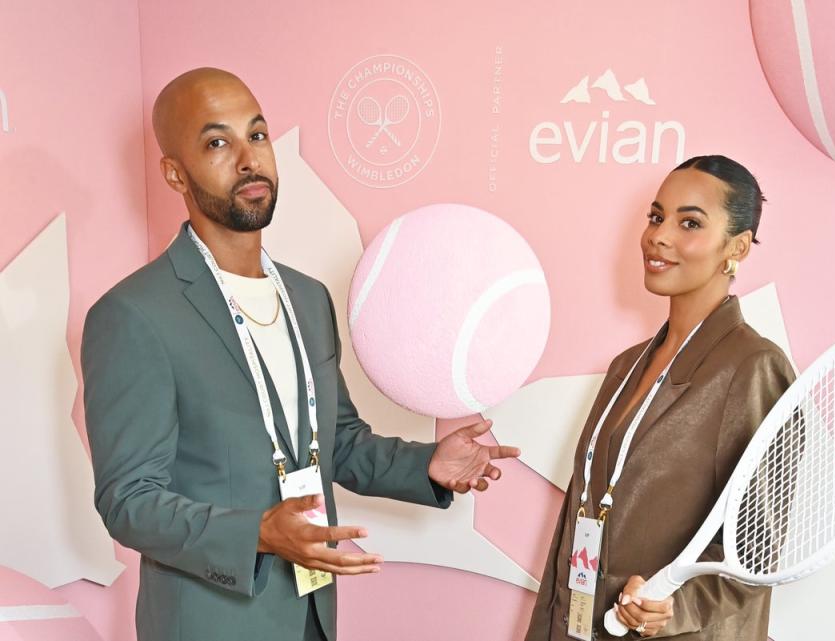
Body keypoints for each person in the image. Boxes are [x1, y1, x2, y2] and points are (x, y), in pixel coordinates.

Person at [81, 67, 519, 641]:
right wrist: (257, 532)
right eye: (217, 142)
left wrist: (425, 464)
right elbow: (129, 501)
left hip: (312, 611)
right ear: (173, 172)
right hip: (211, 623)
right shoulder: (134, 315)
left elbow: (335, 441)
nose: (248, 159)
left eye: (257, 135)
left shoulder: (308, 299)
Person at [525, 156, 795, 640]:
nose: (659, 236)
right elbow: (583, 512)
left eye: (689, 222)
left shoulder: (753, 367)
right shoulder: (626, 366)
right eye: (656, 217)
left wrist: (675, 607)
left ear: (736, 247)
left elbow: (756, 548)